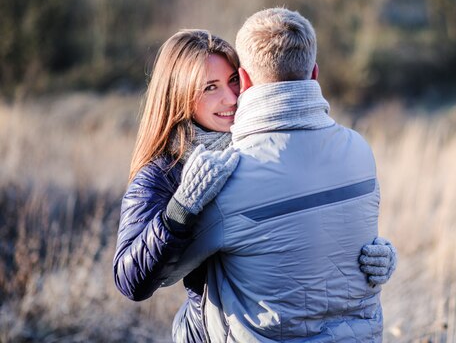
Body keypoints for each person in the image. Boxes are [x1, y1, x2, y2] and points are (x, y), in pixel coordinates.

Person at [113, 29, 397, 342]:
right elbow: (131, 282)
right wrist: (181, 208)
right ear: (179, 97)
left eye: (234, 80)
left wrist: (365, 255)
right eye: (210, 87)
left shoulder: (265, 144)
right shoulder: (162, 172)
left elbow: (299, 228)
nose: (231, 98)